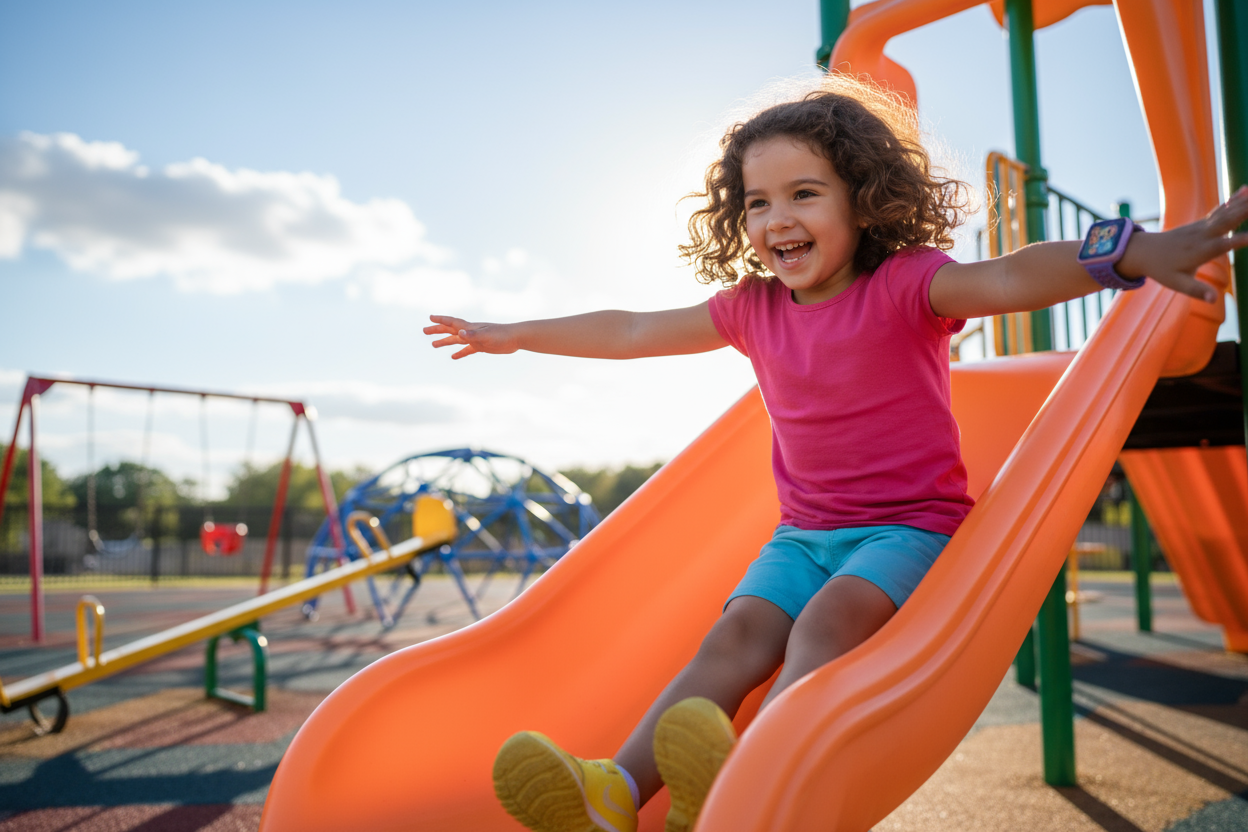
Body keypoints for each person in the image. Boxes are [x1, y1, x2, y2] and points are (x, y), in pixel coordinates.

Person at [424, 75, 1248, 832]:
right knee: (734, 637)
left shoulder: (905, 286)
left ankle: (750, 787)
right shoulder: (752, 309)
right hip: (802, 535)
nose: (776, 219)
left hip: (907, 530)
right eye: (757, 202)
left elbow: (1007, 278)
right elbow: (636, 329)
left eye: (804, 194)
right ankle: (615, 793)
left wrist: (1130, 252)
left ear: (865, 201)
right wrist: (518, 334)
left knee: (823, 626)